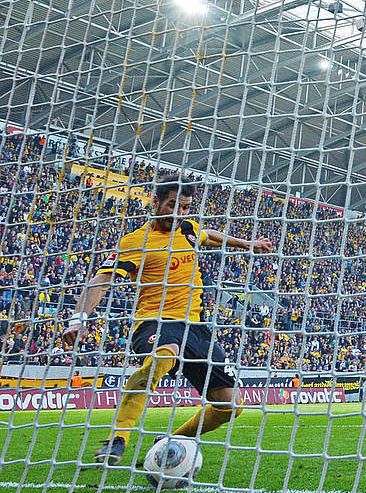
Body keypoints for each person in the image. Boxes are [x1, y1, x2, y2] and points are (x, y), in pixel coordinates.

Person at [63, 177, 275, 467]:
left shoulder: (187, 229)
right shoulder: (136, 242)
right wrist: (79, 318)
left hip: (197, 328)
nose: (178, 213)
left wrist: (245, 244)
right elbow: (101, 280)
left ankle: (167, 444)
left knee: (230, 405)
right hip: (155, 321)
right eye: (172, 205)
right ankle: (118, 439)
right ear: (155, 202)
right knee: (165, 355)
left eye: (185, 207)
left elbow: (209, 235)